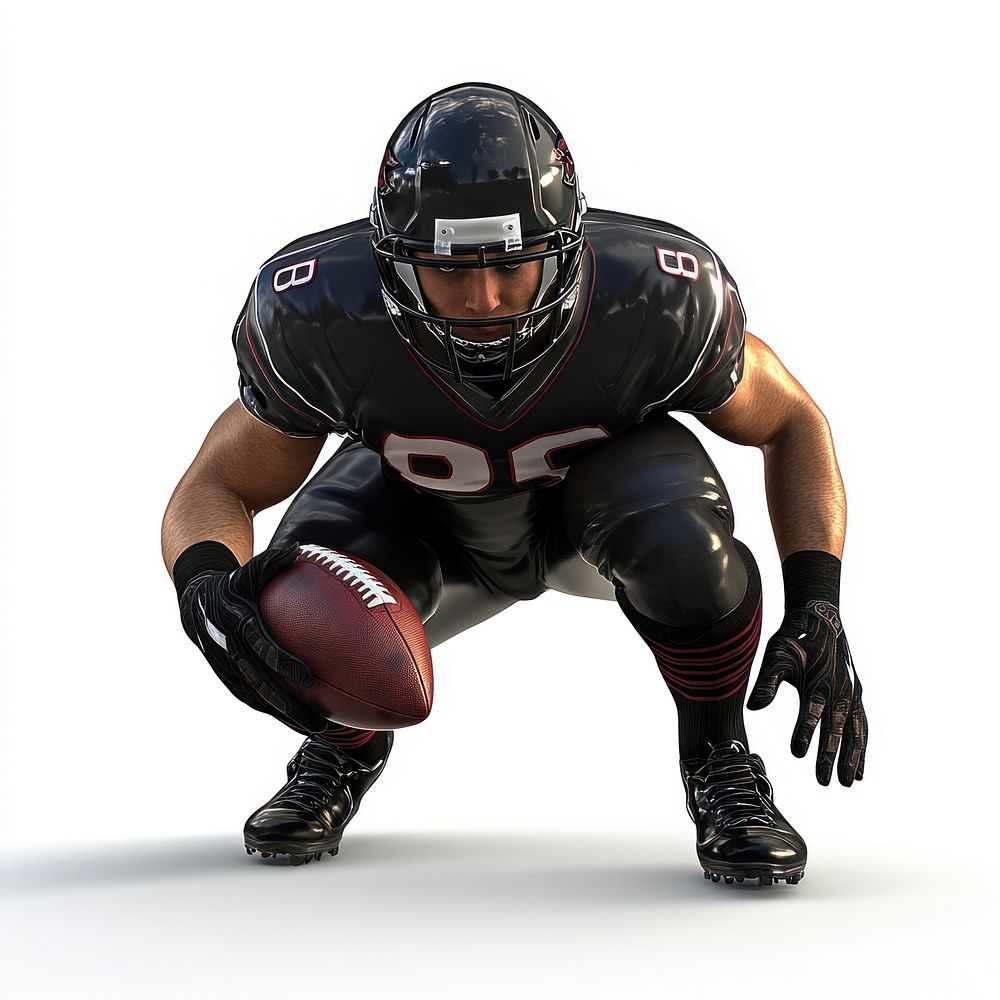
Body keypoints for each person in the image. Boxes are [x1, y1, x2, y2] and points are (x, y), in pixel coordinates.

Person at [161, 82, 867, 886]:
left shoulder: (657, 295)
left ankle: (720, 759)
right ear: (392, 260)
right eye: (450, 271)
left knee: (686, 551)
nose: (485, 301)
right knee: (293, 592)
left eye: (510, 264)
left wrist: (819, 597)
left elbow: (792, 421)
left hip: (601, 509)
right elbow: (217, 483)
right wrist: (206, 587)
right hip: (422, 520)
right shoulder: (319, 314)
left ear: (567, 247)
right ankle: (343, 746)